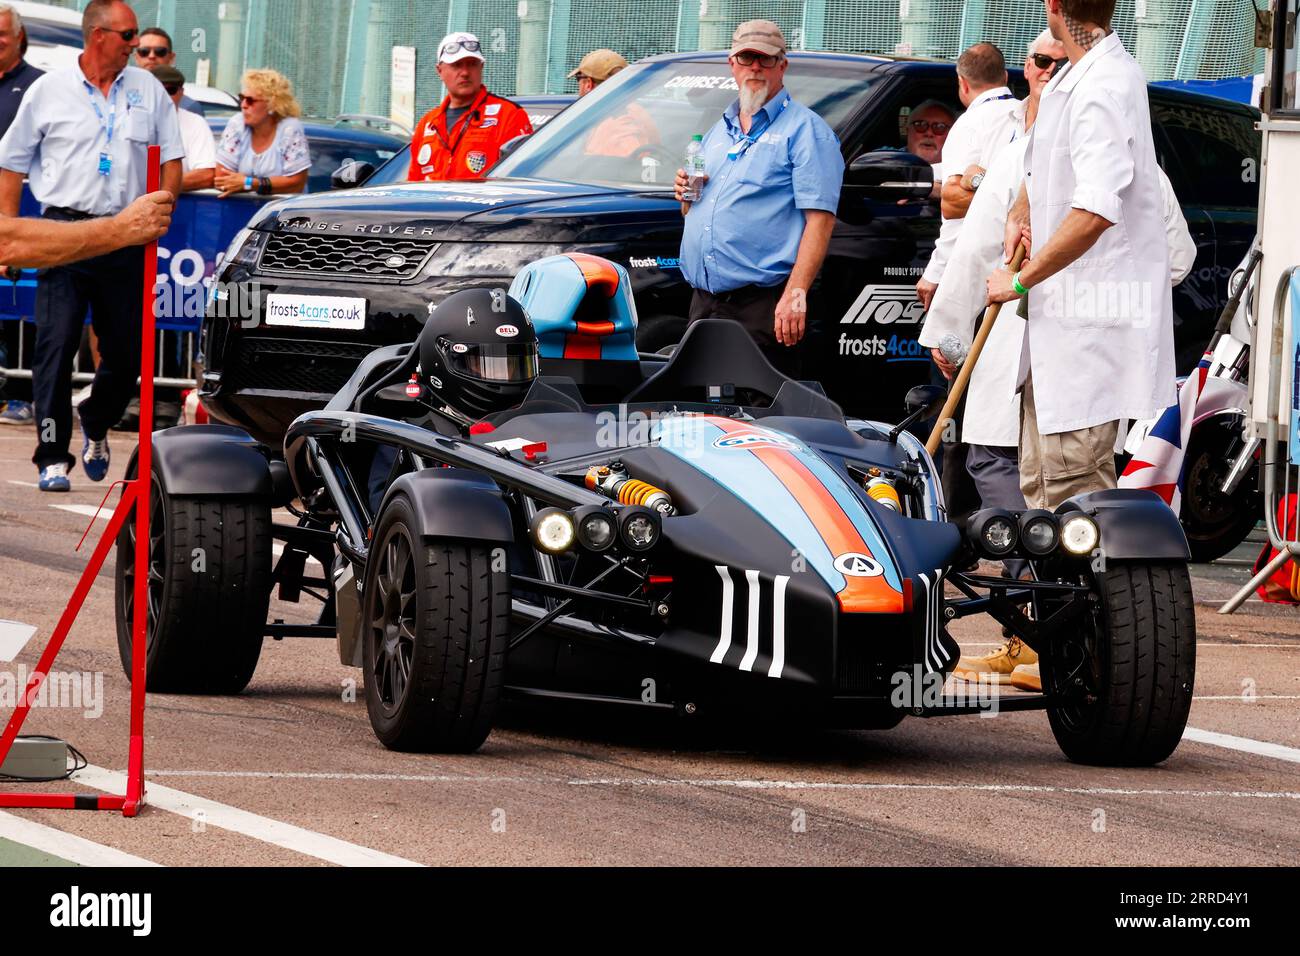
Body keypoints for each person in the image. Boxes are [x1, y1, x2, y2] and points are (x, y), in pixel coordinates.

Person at [984, 0, 1179, 688]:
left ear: (1055, 7)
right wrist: (1020, 212)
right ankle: (1045, 641)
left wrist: (1020, 278)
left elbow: (1097, 206)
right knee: (1043, 490)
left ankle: (1087, 654)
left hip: (1088, 326)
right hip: (1061, 325)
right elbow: (1050, 177)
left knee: (1074, 497)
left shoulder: (1103, 84)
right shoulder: (1080, 74)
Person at [0, 0, 182, 492]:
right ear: (98, 35)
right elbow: (12, 163)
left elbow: (173, 157)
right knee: (54, 346)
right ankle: (52, 455)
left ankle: (96, 420)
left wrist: (161, 210)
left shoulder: (148, 89)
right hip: (63, 234)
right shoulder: (50, 89)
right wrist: (9, 231)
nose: (136, 45)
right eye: (128, 36)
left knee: (127, 355)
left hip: (125, 234)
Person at [673, 19, 842, 377]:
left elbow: (820, 220)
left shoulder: (806, 131)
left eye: (765, 60)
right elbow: (697, 207)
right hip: (705, 301)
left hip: (762, 305)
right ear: (731, 64)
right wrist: (684, 195)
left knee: (759, 418)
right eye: (746, 58)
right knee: (698, 409)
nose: (755, 68)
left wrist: (795, 295)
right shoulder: (720, 130)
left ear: (783, 65)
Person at [916, 43, 1017, 312]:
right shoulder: (1027, 115)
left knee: (951, 350)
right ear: (1005, 77)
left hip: (977, 271)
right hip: (1020, 267)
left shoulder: (970, 124)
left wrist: (935, 272)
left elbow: (955, 208)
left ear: (962, 83)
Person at [408, 32, 532, 182]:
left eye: (472, 64)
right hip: (434, 205)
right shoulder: (427, 124)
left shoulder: (508, 115)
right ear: (439, 71)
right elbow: (413, 183)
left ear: (481, 67)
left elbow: (521, 179)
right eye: (456, 65)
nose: (465, 72)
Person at [0, 3, 43, 425]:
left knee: (21, 309)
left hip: (21, 214)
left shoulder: (37, 86)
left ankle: (20, 394)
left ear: (18, 37)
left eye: (1, 35)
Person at [214, 68, 310, 198]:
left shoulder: (290, 129)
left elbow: (296, 183)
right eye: (242, 98)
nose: (243, 105)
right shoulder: (237, 124)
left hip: (281, 213)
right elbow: (222, 179)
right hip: (239, 210)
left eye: (250, 100)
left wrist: (249, 183)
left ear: (272, 104)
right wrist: (265, 185)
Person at [576, 49, 660, 158]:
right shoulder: (635, 110)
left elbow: (634, 165)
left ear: (588, 84)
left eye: (578, 78)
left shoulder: (618, 125)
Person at [150, 64, 215, 192]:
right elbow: (107, 163)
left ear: (181, 93)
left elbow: (206, 175)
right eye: (158, 90)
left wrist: (155, 187)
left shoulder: (196, 123)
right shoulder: (128, 120)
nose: (164, 97)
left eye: (170, 90)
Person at [133, 27, 203, 115]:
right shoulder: (121, 98)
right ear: (136, 57)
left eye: (160, 51)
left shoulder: (188, 106)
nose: (151, 56)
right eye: (144, 51)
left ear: (171, 58)